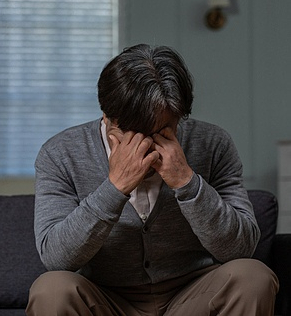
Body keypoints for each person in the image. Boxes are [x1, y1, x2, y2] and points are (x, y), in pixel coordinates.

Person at [26, 44, 279, 315]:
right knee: (51, 289)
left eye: (161, 132)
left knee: (253, 277)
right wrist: (114, 188)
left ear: (179, 117)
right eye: (132, 134)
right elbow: (56, 257)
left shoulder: (213, 144)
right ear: (107, 116)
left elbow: (241, 248)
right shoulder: (60, 153)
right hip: (105, 299)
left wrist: (187, 183)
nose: (145, 147)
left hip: (194, 294)